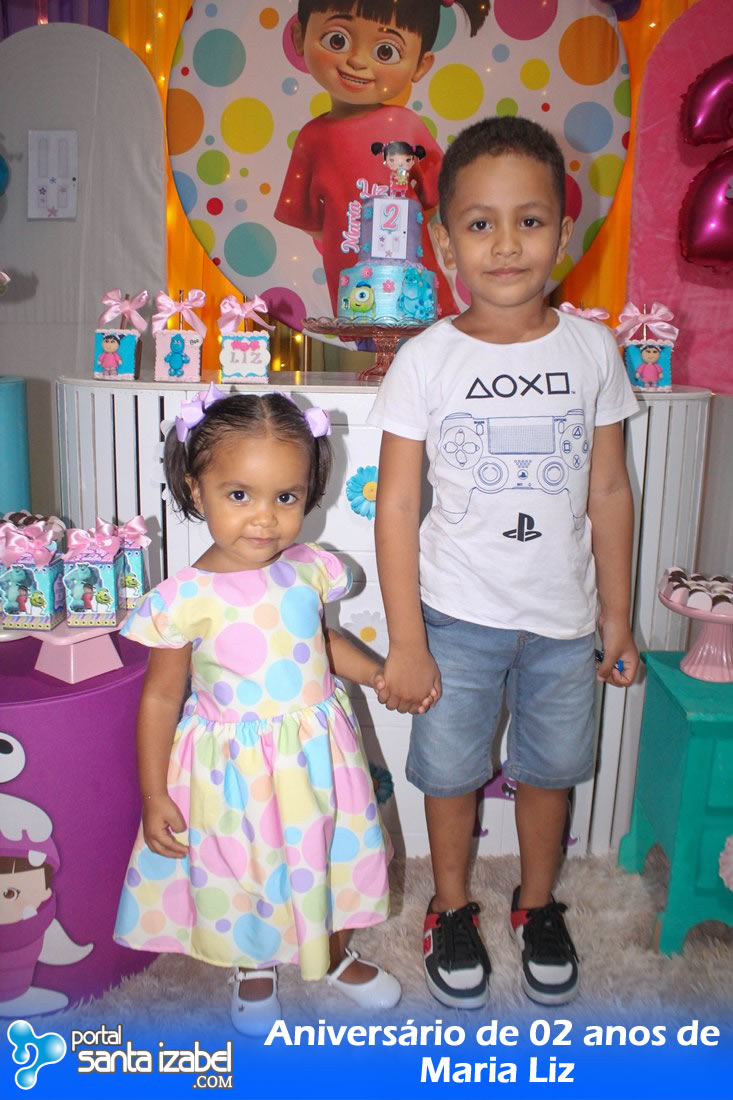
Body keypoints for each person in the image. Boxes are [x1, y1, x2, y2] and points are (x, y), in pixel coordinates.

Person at [368, 115, 640, 1009]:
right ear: (445, 243)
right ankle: (449, 907)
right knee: (449, 774)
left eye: (529, 220)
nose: (507, 244)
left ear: (562, 232)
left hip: (563, 623)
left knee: (549, 770)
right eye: (480, 224)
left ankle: (537, 903)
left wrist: (616, 618)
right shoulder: (425, 360)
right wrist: (406, 642)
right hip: (455, 618)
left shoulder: (592, 350)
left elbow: (608, 490)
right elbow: (396, 507)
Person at [114, 388, 428, 1036]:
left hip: (317, 757)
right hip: (236, 772)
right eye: (239, 495)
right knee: (248, 869)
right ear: (195, 489)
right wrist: (152, 793)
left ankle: (332, 953)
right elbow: (161, 696)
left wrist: (376, 673)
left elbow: (322, 643)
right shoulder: (184, 596)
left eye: (285, 497)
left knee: (329, 856)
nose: (264, 518)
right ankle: (252, 962)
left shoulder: (309, 569)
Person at [274, 0, 491, 317]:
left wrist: (404, 234)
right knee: (368, 335)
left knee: (430, 339)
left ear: (420, 65)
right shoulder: (312, 139)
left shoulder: (406, 126)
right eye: (337, 40)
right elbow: (308, 220)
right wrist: (348, 239)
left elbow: (439, 196)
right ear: (299, 37)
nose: (357, 61)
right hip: (355, 290)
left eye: (385, 51)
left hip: (416, 290)